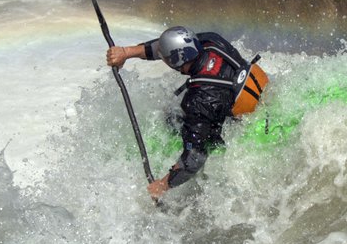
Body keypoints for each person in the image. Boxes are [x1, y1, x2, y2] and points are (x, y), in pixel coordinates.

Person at [106, 26, 268, 200]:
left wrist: (163, 185)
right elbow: (164, 48)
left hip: (233, 125)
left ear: (175, 62)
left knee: (171, 119)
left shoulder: (198, 101)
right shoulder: (212, 41)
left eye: (165, 58)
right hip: (256, 97)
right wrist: (125, 53)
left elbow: (195, 159)